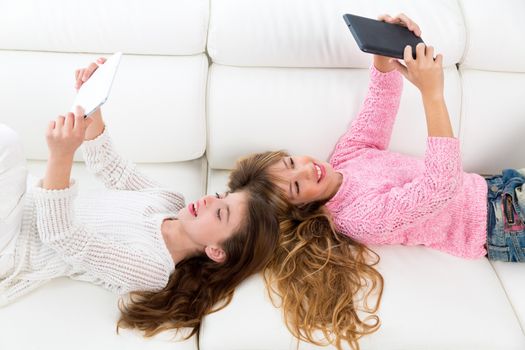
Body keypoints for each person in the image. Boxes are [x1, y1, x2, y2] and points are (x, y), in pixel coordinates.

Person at [230, 12, 525, 350]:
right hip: (504, 222)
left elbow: (380, 104)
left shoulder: (344, 158)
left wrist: (385, 54)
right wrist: (432, 94)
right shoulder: (358, 218)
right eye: (297, 186)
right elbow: (439, 187)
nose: (308, 169)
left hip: (501, 185)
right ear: (301, 210)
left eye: (292, 162)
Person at [0, 59, 281, 341]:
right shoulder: (170, 202)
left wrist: (61, 154)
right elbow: (112, 168)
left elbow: (61, 235)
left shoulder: (152, 268)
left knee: (6, 142)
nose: (209, 200)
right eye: (221, 195)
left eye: (221, 214)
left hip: (13, 245)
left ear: (216, 251)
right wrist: (92, 102)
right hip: (21, 198)